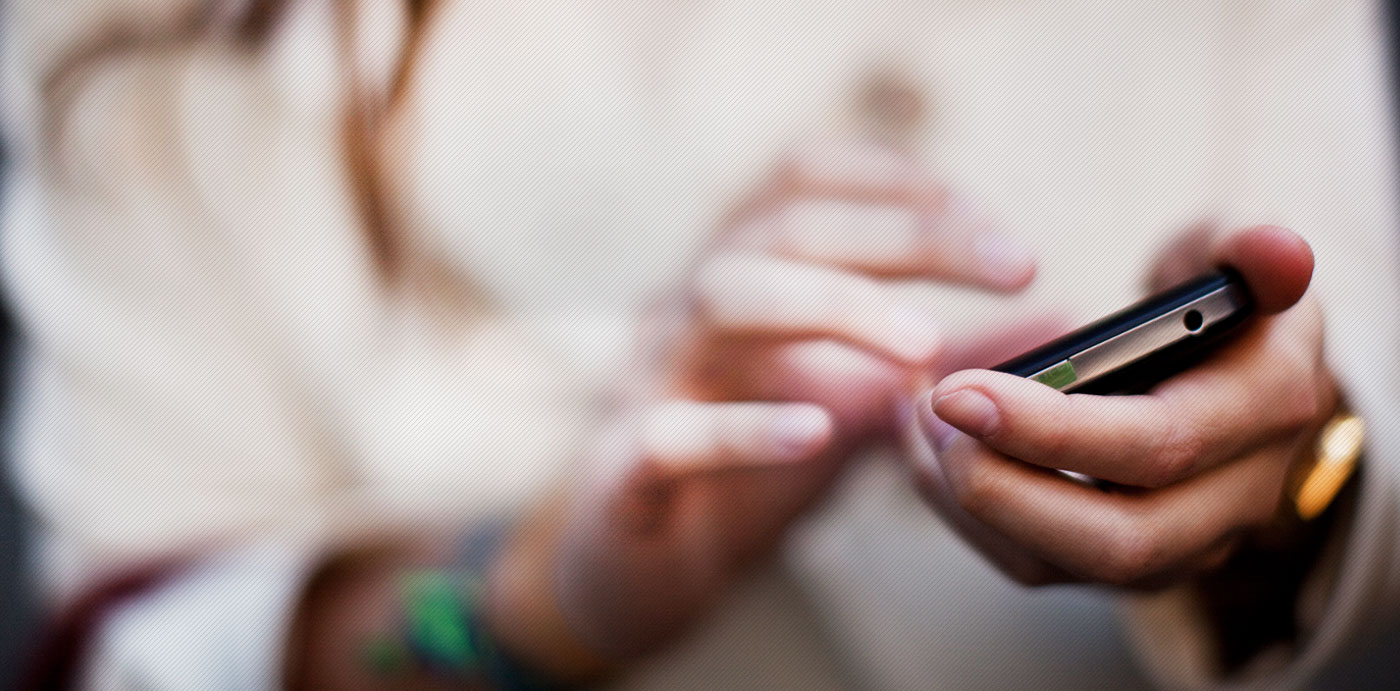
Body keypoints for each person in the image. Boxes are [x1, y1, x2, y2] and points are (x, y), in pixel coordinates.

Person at [2, 0, 1397, 689]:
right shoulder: (151, 47)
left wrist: (1290, 491)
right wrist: (535, 599)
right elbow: (140, 648)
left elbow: (1362, 480)